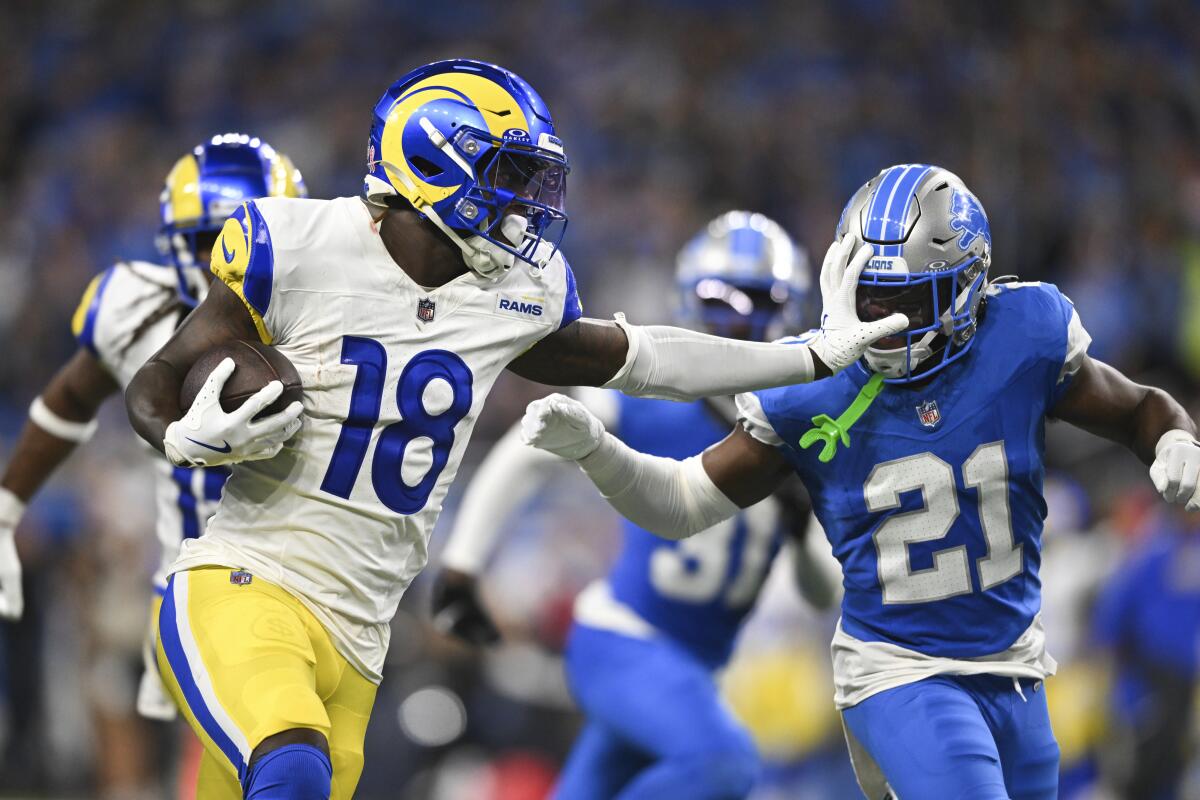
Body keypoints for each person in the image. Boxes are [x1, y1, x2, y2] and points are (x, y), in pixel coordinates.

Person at [121, 60, 906, 800]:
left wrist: (803, 358)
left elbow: (651, 357)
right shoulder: (296, 244)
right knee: (292, 769)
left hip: (359, 639)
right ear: (431, 158)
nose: (527, 201)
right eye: (509, 173)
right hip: (244, 583)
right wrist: (187, 439)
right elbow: (157, 384)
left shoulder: (510, 294)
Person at [518, 163, 1200, 800]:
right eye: (866, 293)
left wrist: (1171, 439)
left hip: (1016, 664)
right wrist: (601, 455)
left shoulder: (1026, 334)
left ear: (969, 285)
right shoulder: (808, 385)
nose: (878, 318)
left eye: (904, 298)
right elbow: (684, 502)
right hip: (898, 668)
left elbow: (1139, 407)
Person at [433, 210, 835, 800]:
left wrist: (800, 529)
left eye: (760, 300)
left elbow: (823, 590)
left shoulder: (801, 422)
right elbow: (530, 449)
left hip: (695, 669)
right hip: (625, 639)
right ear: (687, 299)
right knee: (726, 765)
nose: (742, 320)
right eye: (722, 298)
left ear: (793, 308)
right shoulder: (656, 400)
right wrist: (463, 562)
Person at [0, 133, 306, 724]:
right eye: (206, 241)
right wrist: (7, 507)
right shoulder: (137, 307)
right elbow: (68, 399)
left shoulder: (335, 311)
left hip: (313, 584)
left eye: (241, 237)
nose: (225, 260)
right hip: (192, 586)